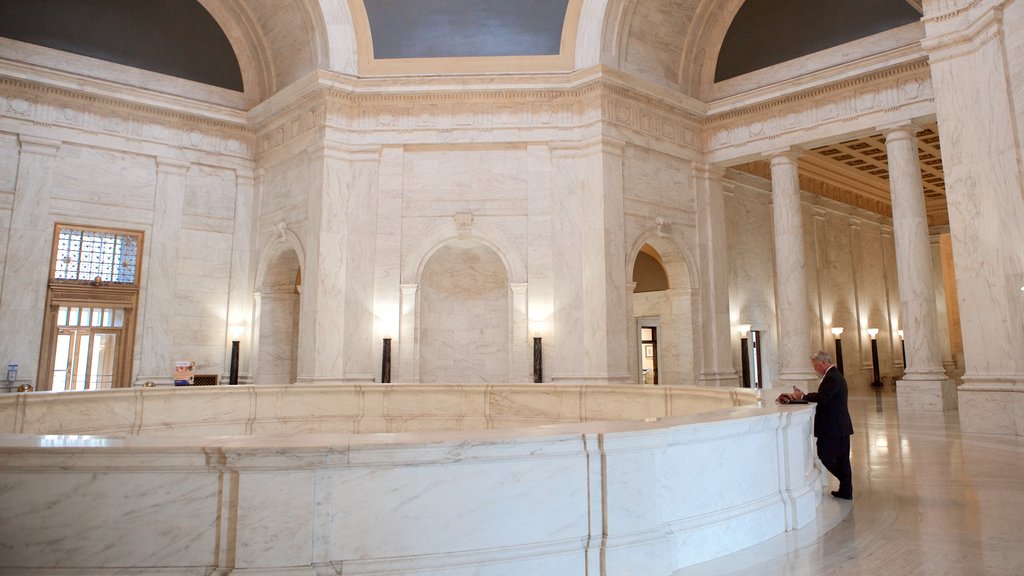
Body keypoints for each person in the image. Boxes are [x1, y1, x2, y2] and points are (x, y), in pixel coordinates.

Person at [777, 351, 854, 500]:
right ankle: (846, 490)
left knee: (825, 455)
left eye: (816, 366)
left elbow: (823, 397)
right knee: (842, 459)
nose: (815, 369)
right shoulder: (834, 375)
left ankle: (845, 484)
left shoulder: (832, 377)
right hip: (840, 425)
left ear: (824, 363)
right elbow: (826, 394)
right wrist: (805, 396)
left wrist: (803, 397)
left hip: (833, 427)